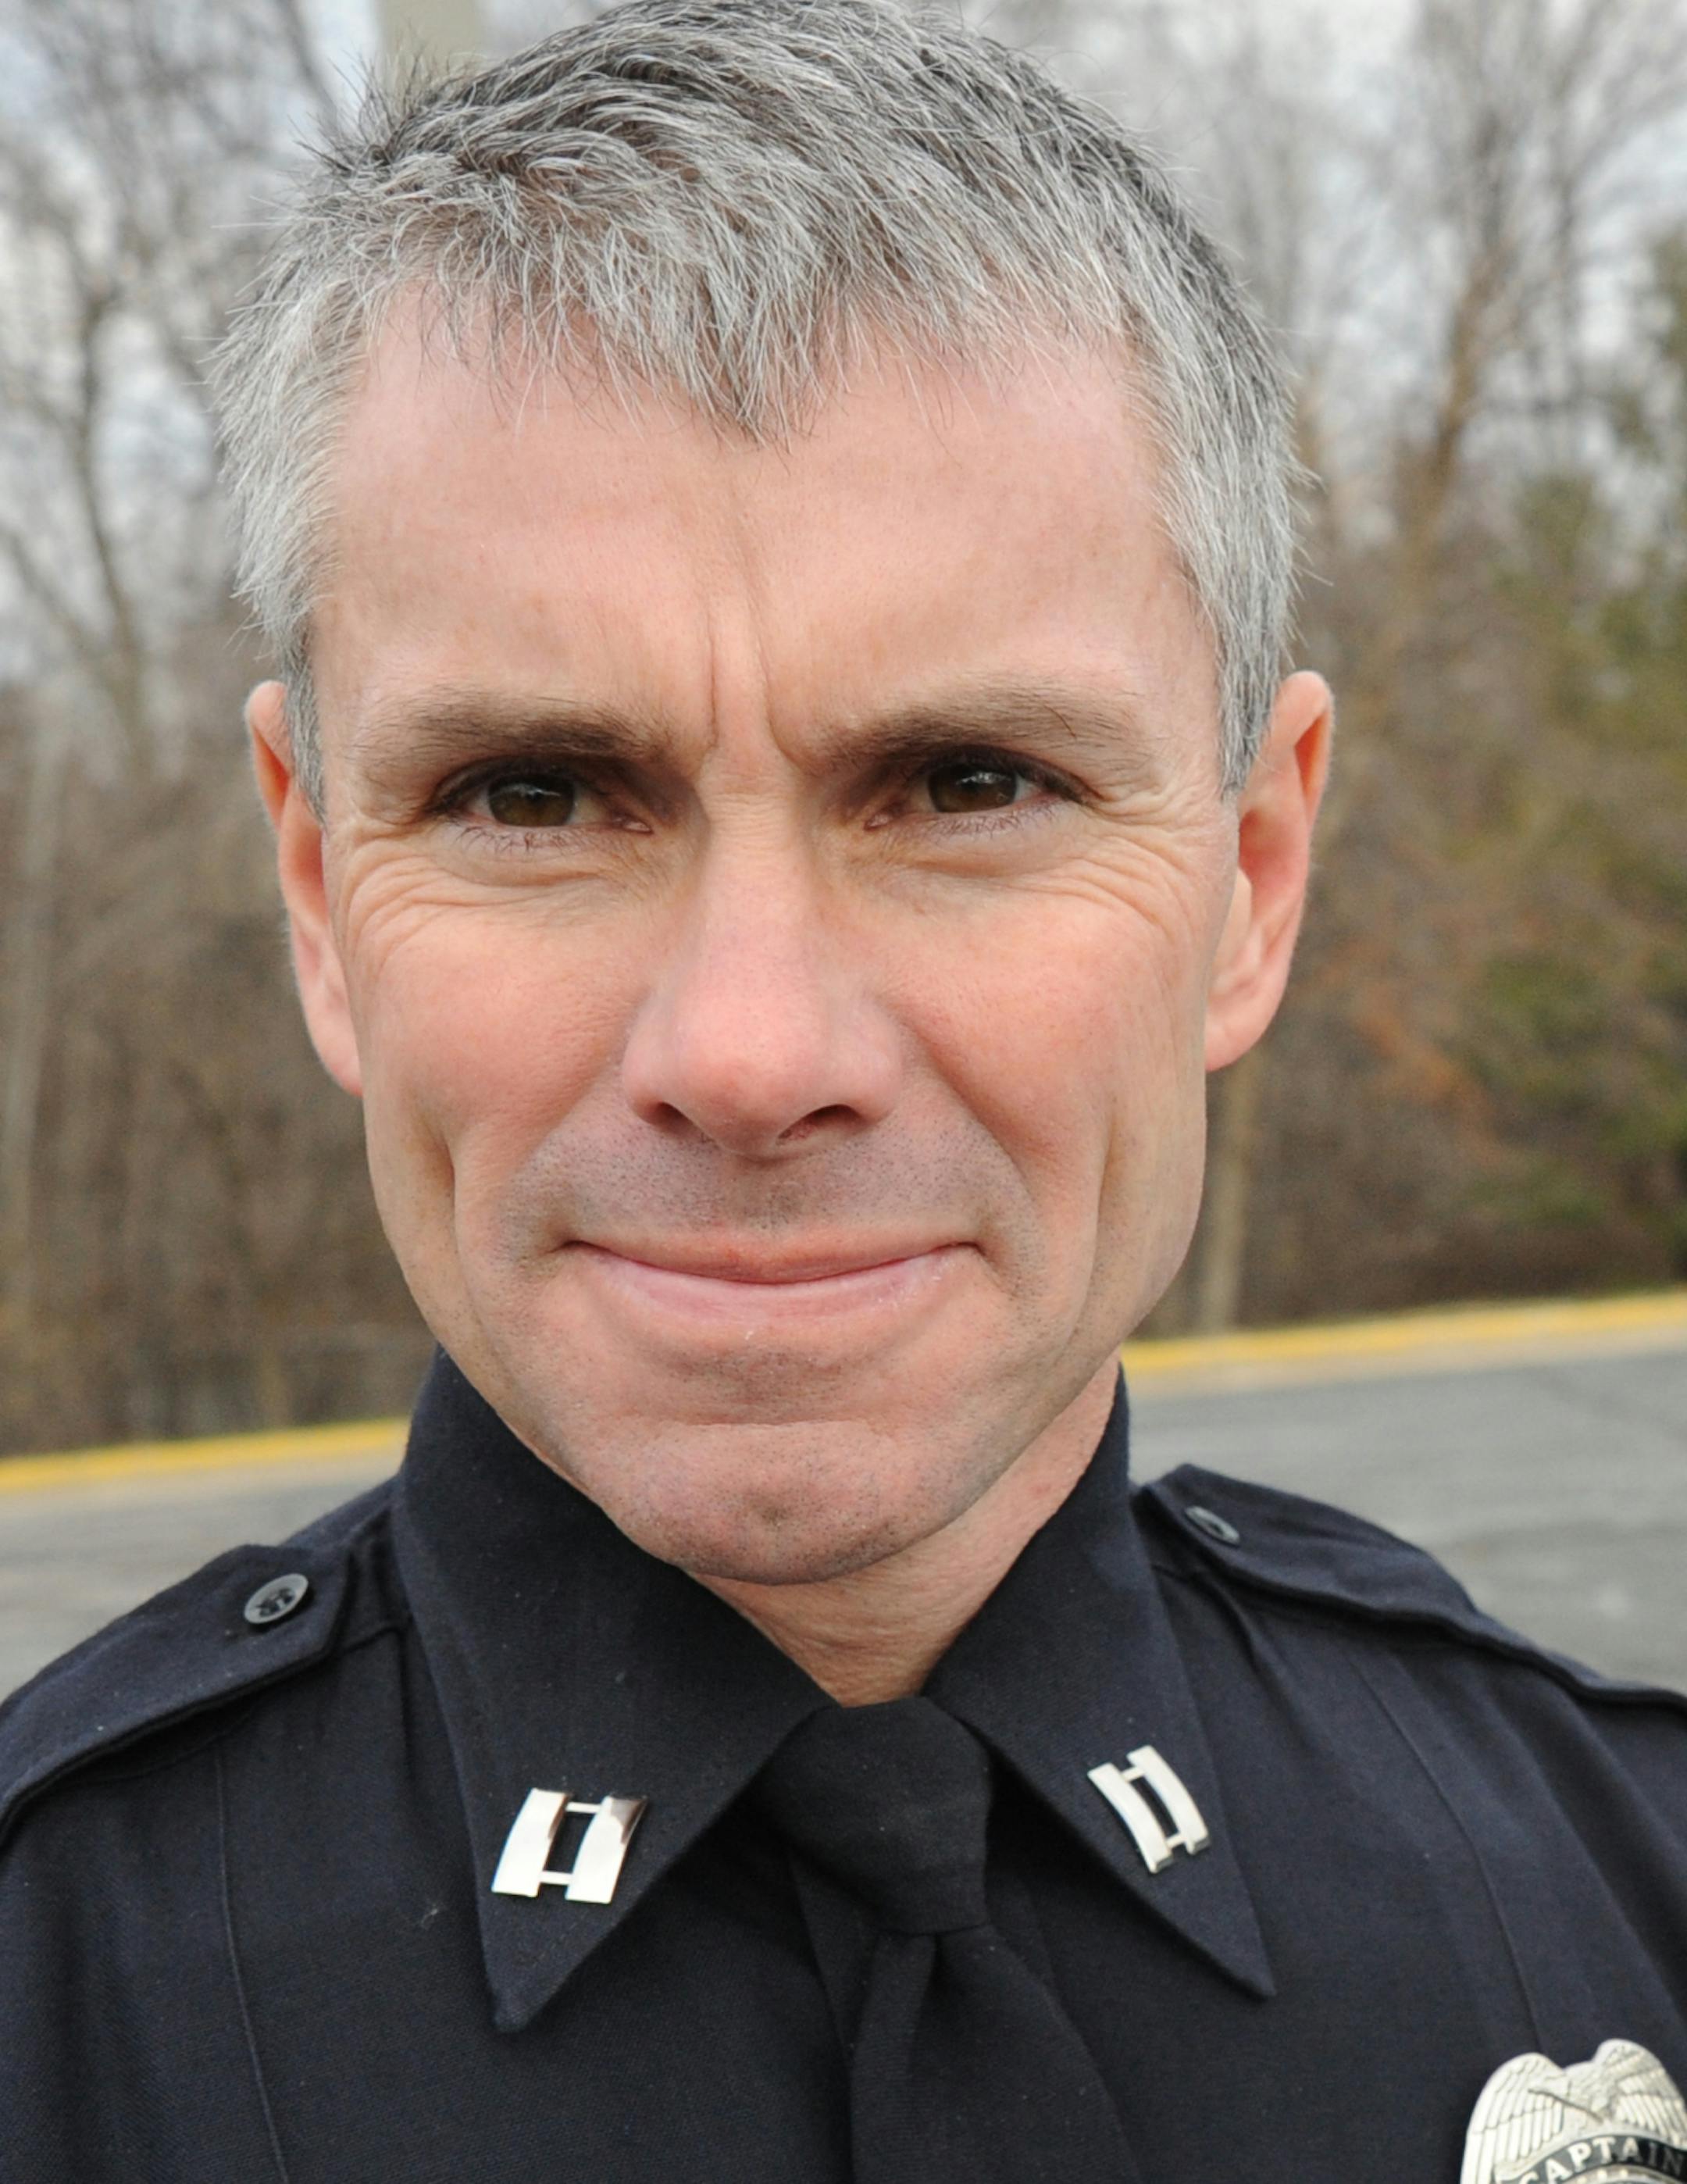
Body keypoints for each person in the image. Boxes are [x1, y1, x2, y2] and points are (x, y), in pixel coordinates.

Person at [4, 4, 1685, 2179]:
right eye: (538, 792)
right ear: (322, 891)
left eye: (970, 781)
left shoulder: (1620, 1881)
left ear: (1252, 878)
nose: (750, 1050)